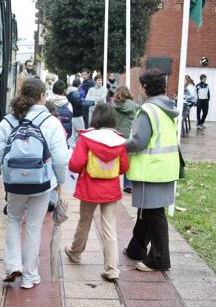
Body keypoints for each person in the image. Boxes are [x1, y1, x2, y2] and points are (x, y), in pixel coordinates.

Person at [0, 78, 69, 288]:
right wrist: (59, 181)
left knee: (14, 220)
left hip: (15, 183)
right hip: (42, 183)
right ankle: (29, 276)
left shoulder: (9, 120)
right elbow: (61, 158)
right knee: (34, 225)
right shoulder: (51, 122)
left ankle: (13, 265)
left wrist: (11, 169)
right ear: (42, 96)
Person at [64, 103, 129, 281]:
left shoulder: (87, 138)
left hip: (89, 187)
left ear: (95, 117)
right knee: (109, 227)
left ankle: (75, 252)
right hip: (110, 189)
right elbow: (124, 167)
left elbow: (75, 165)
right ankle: (112, 269)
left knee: (84, 221)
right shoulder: (120, 140)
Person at [124, 69, 179, 272]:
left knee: (154, 214)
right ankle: (136, 248)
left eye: (140, 85)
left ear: (145, 87)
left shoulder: (148, 110)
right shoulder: (166, 108)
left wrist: (120, 145)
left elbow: (139, 141)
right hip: (164, 167)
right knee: (147, 211)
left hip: (152, 169)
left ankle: (159, 259)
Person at [113, 85, 139, 193]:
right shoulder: (135, 106)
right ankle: (128, 184)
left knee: (114, 161)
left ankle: (113, 184)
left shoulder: (113, 106)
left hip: (115, 135)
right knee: (127, 161)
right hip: (128, 136)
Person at [67, 78, 85, 148]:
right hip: (78, 116)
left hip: (71, 116)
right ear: (79, 85)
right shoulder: (76, 93)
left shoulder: (69, 92)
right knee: (81, 132)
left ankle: (72, 150)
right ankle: (79, 148)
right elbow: (80, 104)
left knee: (72, 134)